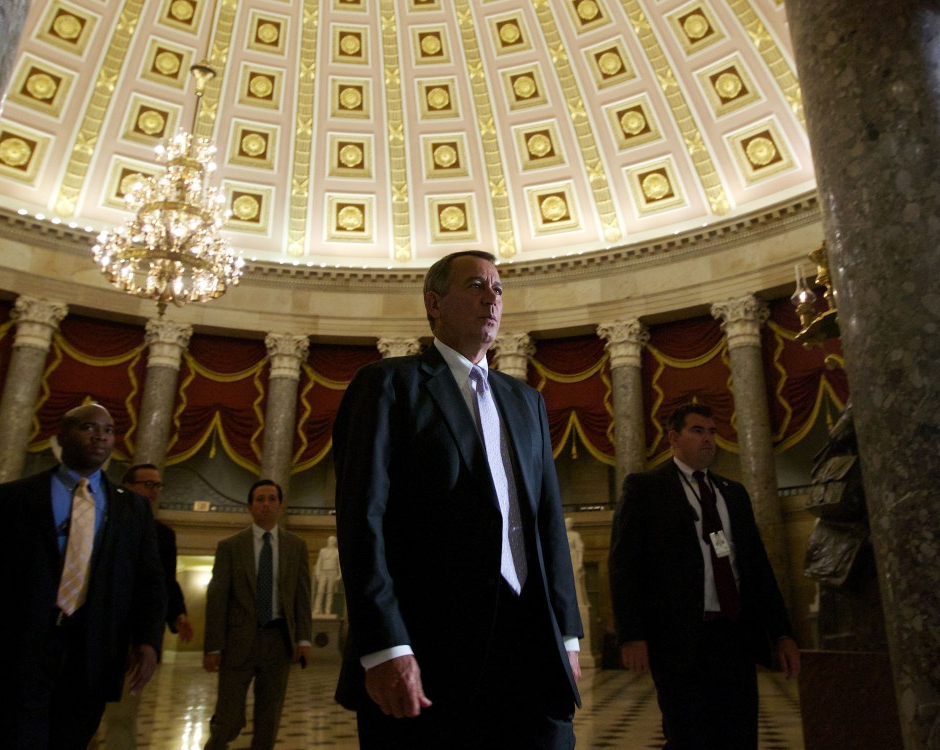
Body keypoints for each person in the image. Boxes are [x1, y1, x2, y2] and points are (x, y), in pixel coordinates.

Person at [333, 250, 583, 749]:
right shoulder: (387, 385)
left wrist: (567, 633)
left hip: (531, 641)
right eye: (475, 286)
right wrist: (385, 645)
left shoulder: (525, 399)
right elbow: (364, 520)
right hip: (429, 648)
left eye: (498, 289)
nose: (491, 299)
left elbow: (547, 522)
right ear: (434, 303)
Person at [0, 402, 166, 749]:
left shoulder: (130, 508)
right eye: (89, 427)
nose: (100, 437)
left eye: (108, 431)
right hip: (17, 654)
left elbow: (148, 581)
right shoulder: (12, 499)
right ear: (62, 435)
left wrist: (148, 640)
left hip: (89, 658)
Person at [609, 402, 801, 750]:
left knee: (739, 733)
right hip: (680, 639)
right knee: (689, 735)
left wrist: (782, 633)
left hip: (735, 636)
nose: (709, 440)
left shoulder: (733, 493)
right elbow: (625, 566)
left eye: (712, 432)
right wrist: (632, 635)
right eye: (698, 431)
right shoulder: (646, 488)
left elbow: (757, 568)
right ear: (673, 438)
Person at [202, 479, 312, 750]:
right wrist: (213, 645)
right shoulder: (230, 546)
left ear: (280, 505)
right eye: (260, 499)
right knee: (228, 716)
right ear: (250, 506)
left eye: (272, 499)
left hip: (278, 641)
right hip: (238, 642)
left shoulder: (295, 546)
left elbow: (302, 597)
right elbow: (217, 599)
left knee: (269, 718)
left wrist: (304, 640)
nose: (266, 504)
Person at [97, 463, 194, 749]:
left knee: (123, 716)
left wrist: (177, 613)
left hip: (134, 639)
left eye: (158, 486)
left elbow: (163, 580)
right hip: (94, 632)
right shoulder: (102, 521)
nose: (154, 491)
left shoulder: (163, 535)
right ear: (127, 486)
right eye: (148, 484)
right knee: (79, 716)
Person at [312, 535, 341, 616]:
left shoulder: (337, 552)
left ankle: (327, 610)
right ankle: (317, 609)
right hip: (323, 572)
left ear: (334, 543)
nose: (329, 542)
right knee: (320, 591)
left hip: (333, 572)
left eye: (331, 541)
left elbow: (339, 565)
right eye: (328, 541)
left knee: (329, 592)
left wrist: (339, 575)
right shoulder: (322, 551)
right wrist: (317, 573)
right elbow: (319, 563)